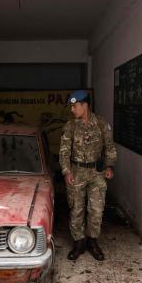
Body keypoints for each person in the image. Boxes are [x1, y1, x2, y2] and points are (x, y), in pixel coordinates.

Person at [59, 90, 117, 261]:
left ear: (85, 105)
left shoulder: (101, 123)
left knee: (96, 210)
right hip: (77, 172)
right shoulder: (70, 126)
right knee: (76, 209)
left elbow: (110, 146)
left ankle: (92, 241)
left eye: (74, 106)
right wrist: (66, 171)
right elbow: (63, 152)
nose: (72, 110)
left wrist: (109, 166)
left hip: (97, 173)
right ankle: (79, 242)